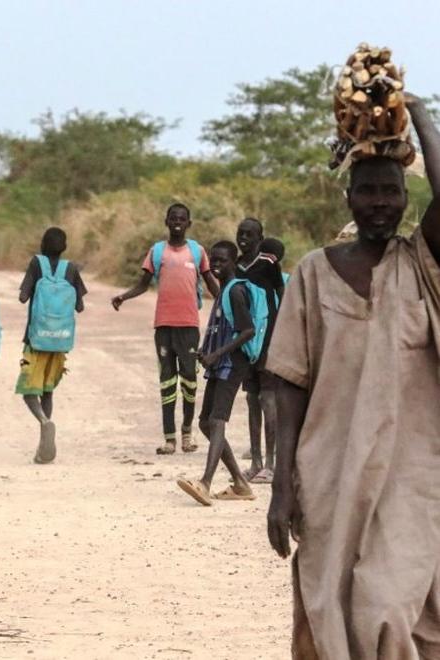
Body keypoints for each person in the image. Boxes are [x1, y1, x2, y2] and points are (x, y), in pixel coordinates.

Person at [267, 94, 440, 658]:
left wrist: (417, 113)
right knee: (331, 603)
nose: (380, 203)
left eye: (391, 190)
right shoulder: (314, 273)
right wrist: (281, 486)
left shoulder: (422, 266)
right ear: (348, 197)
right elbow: (288, 383)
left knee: (390, 606)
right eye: (367, 190)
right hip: (329, 472)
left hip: (409, 476)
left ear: (407, 198)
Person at [112, 203, 219, 454]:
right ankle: (169, 439)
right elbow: (143, 284)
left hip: (189, 325)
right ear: (166, 222)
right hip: (163, 326)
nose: (177, 222)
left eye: (182, 219)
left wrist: (228, 305)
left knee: (190, 380)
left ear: (189, 223)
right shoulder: (157, 251)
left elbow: (211, 283)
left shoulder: (197, 251)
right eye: (173, 218)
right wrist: (123, 297)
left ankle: (187, 435)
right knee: (167, 381)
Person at [176, 241, 255, 506]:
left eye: (222, 260)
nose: (217, 265)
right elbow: (223, 328)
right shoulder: (223, 292)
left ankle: (205, 483)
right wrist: (206, 351)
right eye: (214, 261)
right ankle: (240, 483)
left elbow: (248, 331)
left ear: (234, 262)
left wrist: (217, 354)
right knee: (204, 423)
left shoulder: (236, 291)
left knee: (217, 420)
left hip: (232, 364)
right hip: (219, 364)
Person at [16, 227, 87, 463]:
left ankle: (44, 422)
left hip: (35, 340)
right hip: (59, 342)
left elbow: (23, 297)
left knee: (28, 391)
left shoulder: (36, 263)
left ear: (42, 244)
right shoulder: (71, 268)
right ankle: (42, 443)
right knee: (47, 391)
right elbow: (80, 307)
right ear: (64, 247)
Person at [234, 219, 284, 483]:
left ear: (259, 238)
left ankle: (271, 463)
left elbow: (282, 295)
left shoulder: (268, 263)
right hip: (247, 341)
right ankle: (255, 462)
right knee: (251, 399)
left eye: (249, 234)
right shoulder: (236, 266)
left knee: (268, 399)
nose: (243, 238)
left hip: (269, 341)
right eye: (240, 233)